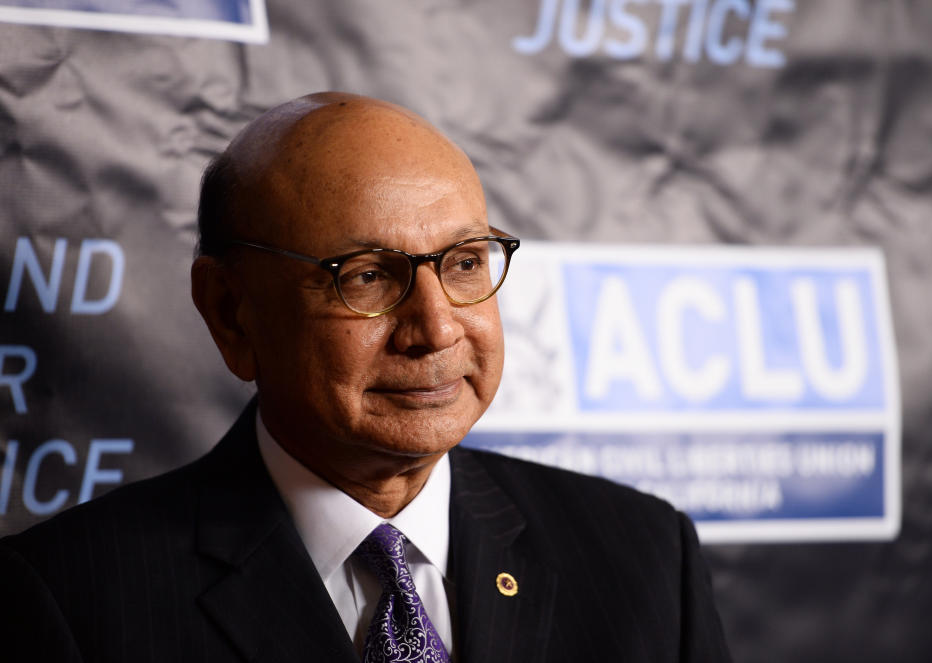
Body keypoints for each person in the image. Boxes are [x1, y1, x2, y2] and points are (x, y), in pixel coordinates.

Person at [0, 93, 732, 662]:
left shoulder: (644, 557)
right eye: (368, 276)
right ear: (231, 313)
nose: (438, 329)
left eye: (466, 262)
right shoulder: (68, 600)